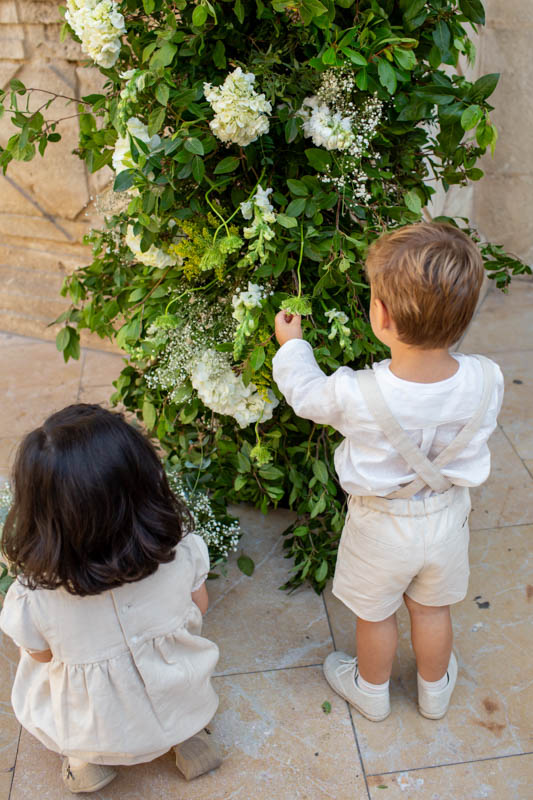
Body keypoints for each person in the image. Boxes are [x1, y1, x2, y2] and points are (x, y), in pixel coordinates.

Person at [272, 222, 503, 723]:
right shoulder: (488, 378)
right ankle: (435, 691)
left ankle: (371, 690)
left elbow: (306, 394)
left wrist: (292, 345)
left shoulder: (358, 392)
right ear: (464, 316)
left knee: (375, 614)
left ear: (381, 316)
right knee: (432, 608)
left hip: (379, 525)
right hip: (446, 520)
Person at [0, 404, 221, 793]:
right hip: (178, 696)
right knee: (181, 697)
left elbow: (42, 656)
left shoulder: (34, 598)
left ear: (41, 518)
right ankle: (190, 742)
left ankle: (86, 764)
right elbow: (198, 607)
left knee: (44, 675)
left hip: (96, 728)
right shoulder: (183, 552)